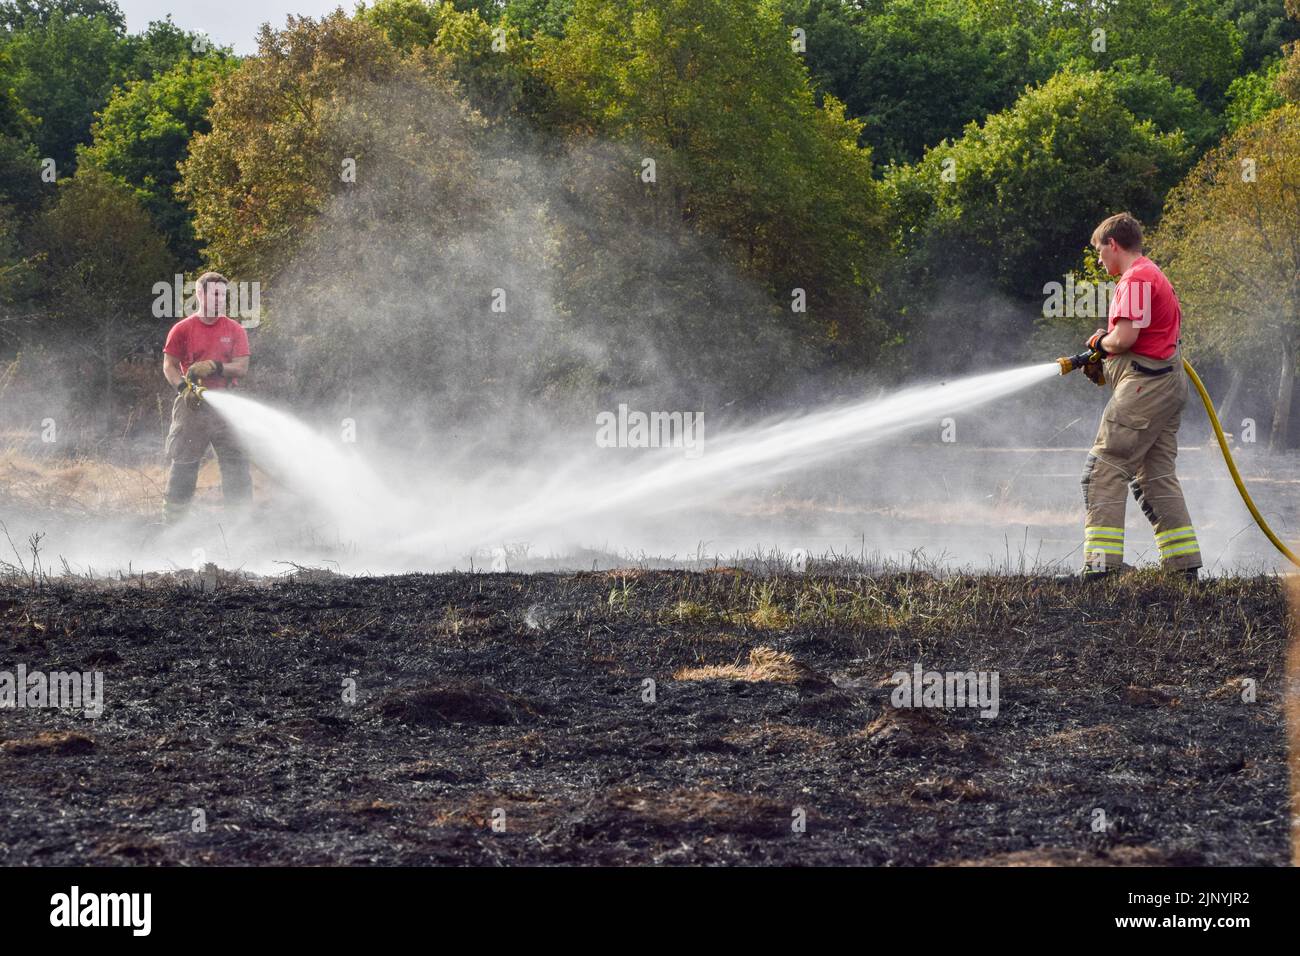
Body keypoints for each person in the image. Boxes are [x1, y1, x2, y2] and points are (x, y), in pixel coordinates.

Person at [1074, 212, 1201, 581]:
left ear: (1113, 244)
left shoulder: (1136, 278)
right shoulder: (1150, 274)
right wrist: (1109, 344)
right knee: (1155, 476)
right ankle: (1183, 568)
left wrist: (1101, 341)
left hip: (1146, 387)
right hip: (1165, 385)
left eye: (1100, 251)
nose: (1100, 260)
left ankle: (1100, 568)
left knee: (1103, 469)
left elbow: (1125, 339)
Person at [160, 271, 252, 523]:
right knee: (184, 465)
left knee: (236, 466)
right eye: (214, 294)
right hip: (192, 406)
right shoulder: (182, 329)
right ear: (199, 294)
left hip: (226, 405)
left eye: (223, 295)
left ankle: (240, 526)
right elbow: (169, 365)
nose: (220, 299)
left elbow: (241, 368)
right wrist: (183, 388)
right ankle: (173, 525)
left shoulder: (234, 330)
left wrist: (215, 366)